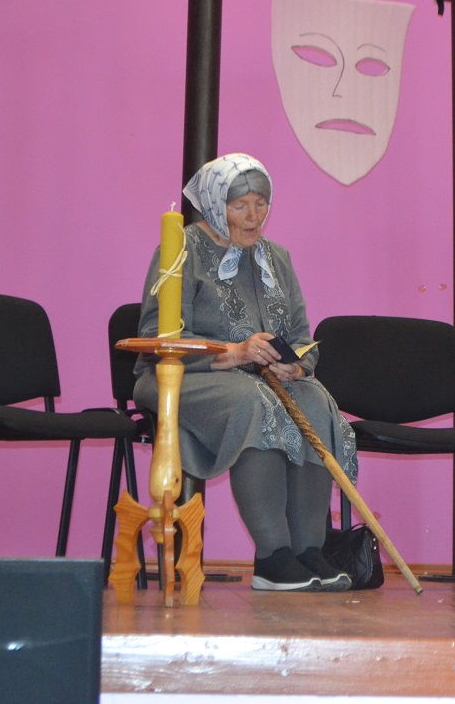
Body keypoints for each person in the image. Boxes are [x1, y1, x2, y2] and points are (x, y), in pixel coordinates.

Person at [134, 153, 357, 592]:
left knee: (314, 400)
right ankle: (272, 557)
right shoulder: (180, 250)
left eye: (261, 203)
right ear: (215, 205)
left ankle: (308, 551)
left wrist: (297, 363)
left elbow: (301, 335)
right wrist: (235, 352)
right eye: (240, 206)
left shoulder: (278, 258)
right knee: (254, 402)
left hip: (262, 380)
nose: (254, 216)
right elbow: (158, 336)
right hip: (184, 376)